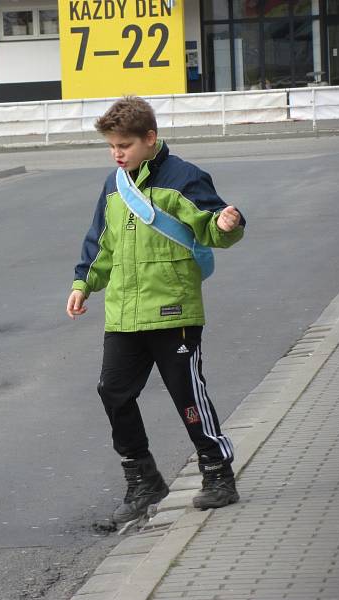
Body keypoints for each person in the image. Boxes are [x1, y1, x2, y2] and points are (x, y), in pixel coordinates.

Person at [66, 96, 245, 527]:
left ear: (150, 138)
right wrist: (82, 283)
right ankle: (143, 479)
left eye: (124, 145)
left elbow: (214, 222)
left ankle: (218, 472)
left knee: (187, 395)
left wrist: (227, 224)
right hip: (124, 313)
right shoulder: (115, 186)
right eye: (111, 146)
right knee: (113, 392)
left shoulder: (183, 177)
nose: (117, 153)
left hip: (174, 310)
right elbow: (100, 243)